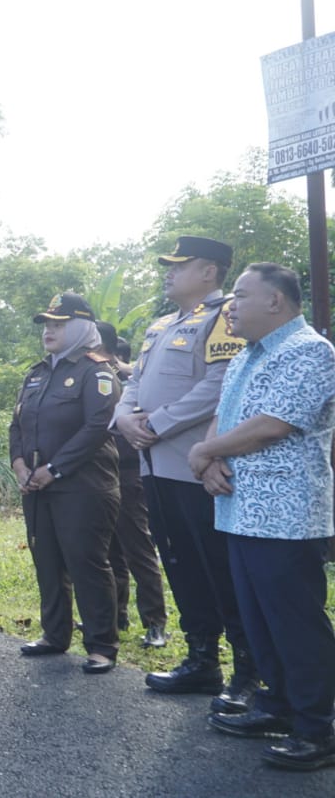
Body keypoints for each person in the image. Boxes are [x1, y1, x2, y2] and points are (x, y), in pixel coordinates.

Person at [190, 263, 335, 771]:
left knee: (294, 623)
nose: (231, 305)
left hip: (285, 516)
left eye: (242, 295)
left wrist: (203, 452)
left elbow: (273, 425)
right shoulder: (246, 354)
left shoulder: (310, 352)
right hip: (238, 509)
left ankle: (320, 727)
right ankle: (278, 706)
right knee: (259, 621)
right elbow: (224, 415)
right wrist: (209, 458)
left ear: (276, 301)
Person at [113, 236, 254, 712]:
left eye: (180, 265)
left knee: (217, 566)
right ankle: (201, 659)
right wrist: (126, 417)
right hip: (154, 466)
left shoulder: (226, 316)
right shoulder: (160, 325)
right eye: (167, 266)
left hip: (196, 465)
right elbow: (133, 381)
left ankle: (247, 670)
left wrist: (157, 422)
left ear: (210, 271)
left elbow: (221, 384)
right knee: (179, 562)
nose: (168, 273)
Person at [10, 292, 122, 674]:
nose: (49, 330)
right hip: (37, 486)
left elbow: (97, 427)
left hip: (83, 487)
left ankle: (101, 644)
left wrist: (54, 469)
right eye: (46, 324)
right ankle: (54, 635)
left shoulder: (97, 371)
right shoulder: (38, 372)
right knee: (47, 561)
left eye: (58, 324)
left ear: (81, 327)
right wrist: (19, 464)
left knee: (86, 563)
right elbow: (18, 423)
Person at [96, 320, 168, 648]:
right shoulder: (87, 373)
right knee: (109, 550)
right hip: (99, 472)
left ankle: (155, 623)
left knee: (138, 548)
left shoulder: (129, 377)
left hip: (128, 471)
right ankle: (117, 614)